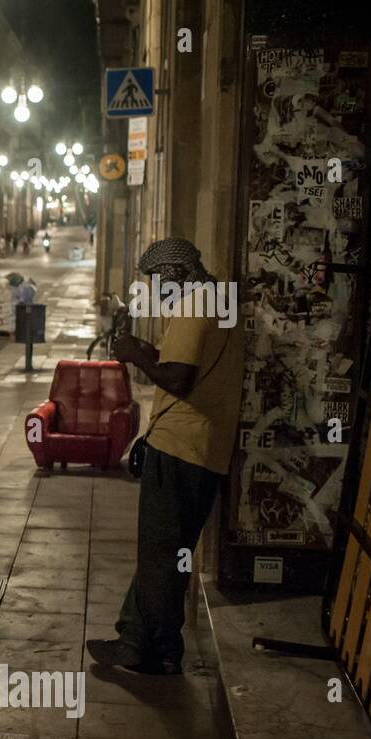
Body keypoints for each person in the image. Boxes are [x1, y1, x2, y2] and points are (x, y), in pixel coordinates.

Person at [86, 238, 245, 675]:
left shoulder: (195, 307)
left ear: (174, 275)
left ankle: (145, 647)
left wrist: (136, 354)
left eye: (156, 282)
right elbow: (186, 368)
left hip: (180, 447)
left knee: (160, 552)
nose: (155, 292)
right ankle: (148, 643)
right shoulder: (222, 302)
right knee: (170, 552)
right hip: (204, 447)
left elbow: (178, 378)